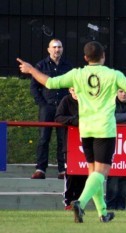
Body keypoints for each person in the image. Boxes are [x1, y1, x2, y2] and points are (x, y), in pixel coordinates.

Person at [18, 41, 126, 223]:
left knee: (94, 172)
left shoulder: (77, 74)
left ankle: (103, 213)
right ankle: (81, 203)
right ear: (103, 56)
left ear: (85, 58)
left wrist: (31, 70)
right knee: (102, 172)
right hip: (104, 129)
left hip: (85, 130)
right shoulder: (112, 74)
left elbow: (51, 82)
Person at [30, 39, 72, 179]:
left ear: (62, 49)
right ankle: (40, 169)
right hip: (46, 107)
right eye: (54, 47)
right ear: (48, 49)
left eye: (59, 47)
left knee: (63, 140)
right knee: (43, 138)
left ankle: (63, 169)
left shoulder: (68, 67)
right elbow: (34, 87)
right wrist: (42, 104)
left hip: (63, 108)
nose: (57, 50)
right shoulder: (40, 66)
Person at [54, 87, 88, 210]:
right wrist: (73, 121)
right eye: (74, 90)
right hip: (70, 145)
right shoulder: (66, 101)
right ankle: (68, 201)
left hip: (86, 144)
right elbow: (58, 117)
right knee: (71, 174)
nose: (76, 93)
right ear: (70, 90)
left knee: (84, 173)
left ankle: (79, 201)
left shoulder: (87, 100)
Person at [105, 89, 126, 210]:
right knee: (113, 177)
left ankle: (121, 206)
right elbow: (112, 118)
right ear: (116, 92)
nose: (124, 94)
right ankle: (110, 206)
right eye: (121, 91)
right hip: (113, 146)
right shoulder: (110, 103)